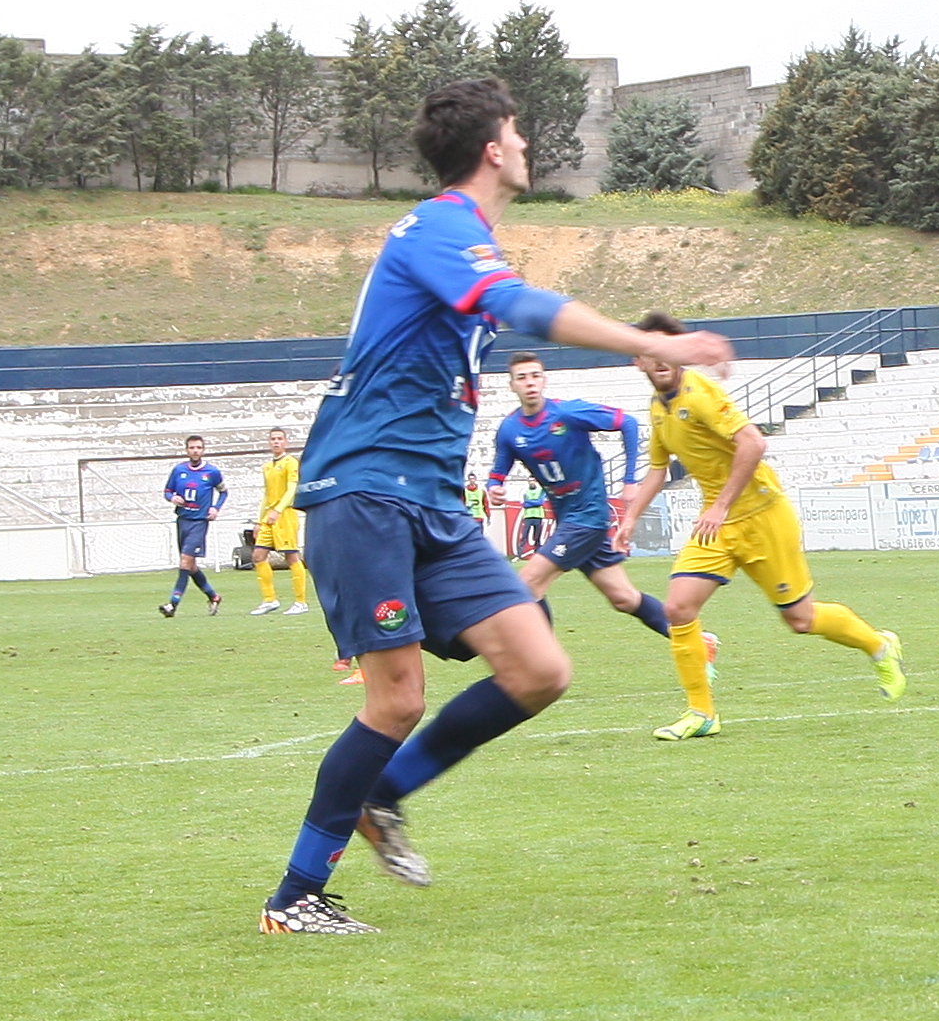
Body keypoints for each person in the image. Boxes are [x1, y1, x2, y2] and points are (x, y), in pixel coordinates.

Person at [257, 76, 736, 934]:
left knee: (538, 668)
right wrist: (648, 341)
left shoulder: (461, 237)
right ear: (492, 149)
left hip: (433, 502)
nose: (523, 144)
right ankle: (295, 899)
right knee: (395, 699)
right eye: (515, 131)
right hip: (366, 489)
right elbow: (516, 305)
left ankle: (384, 799)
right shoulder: (441, 226)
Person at [619, 315, 904, 739]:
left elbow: (753, 442)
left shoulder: (700, 395)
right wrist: (629, 519)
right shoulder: (658, 409)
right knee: (678, 609)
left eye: (668, 348)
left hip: (761, 515)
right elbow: (657, 471)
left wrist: (719, 505)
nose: (659, 358)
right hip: (717, 525)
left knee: (801, 619)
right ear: (637, 359)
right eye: (650, 350)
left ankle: (879, 646)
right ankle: (702, 714)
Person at [486, 351, 685, 656]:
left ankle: (543, 665)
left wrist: (629, 479)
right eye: (522, 377)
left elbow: (627, 423)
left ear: (544, 379)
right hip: (567, 519)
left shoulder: (567, 414)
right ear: (511, 385)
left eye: (535, 375)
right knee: (623, 597)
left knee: (527, 583)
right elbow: (499, 470)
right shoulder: (511, 430)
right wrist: (494, 486)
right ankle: (694, 639)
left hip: (588, 516)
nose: (530, 383)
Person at [247, 426, 315, 620]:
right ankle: (270, 600)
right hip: (269, 517)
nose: (276, 442)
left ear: (285, 442)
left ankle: (301, 602)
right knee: (258, 555)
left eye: (279, 439)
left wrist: (278, 510)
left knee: (291, 557)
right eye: (273, 439)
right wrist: (260, 521)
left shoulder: (290, 463)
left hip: (285, 515)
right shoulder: (267, 467)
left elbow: (292, 488)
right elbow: (267, 494)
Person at [160, 435, 225, 618]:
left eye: (198, 447)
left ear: (203, 450)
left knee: (184, 562)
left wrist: (215, 508)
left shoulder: (212, 472)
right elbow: (167, 491)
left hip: (199, 522)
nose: (195, 450)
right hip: (182, 520)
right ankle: (214, 596)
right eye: (192, 448)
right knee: (190, 566)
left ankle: (172, 604)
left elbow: (223, 492)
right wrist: (172, 498)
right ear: (187, 450)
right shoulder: (178, 470)